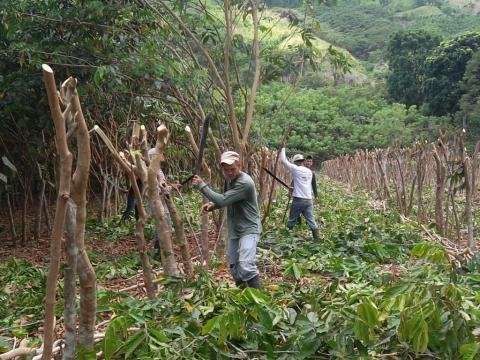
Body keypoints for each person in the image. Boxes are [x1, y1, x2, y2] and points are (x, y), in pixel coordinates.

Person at [191, 151, 262, 289]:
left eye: (232, 169)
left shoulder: (245, 182)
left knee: (246, 265)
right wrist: (213, 205)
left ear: (239, 165)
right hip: (236, 229)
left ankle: (260, 300)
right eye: (226, 170)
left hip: (249, 228)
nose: (229, 173)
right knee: (234, 266)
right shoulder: (230, 181)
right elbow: (228, 197)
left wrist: (202, 185)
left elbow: (223, 199)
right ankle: (243, 294)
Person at [280, 143, 319, 240]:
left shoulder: (296, 169)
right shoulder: (309, 172)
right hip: (308, 200)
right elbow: (303, 184)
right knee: (311, 220)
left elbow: (283, 160)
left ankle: (286, 238)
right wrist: (292, 188)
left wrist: (283, 148)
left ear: (295, 162)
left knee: (292, 219)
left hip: (299, 200)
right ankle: (317, 238)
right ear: (302, 161)